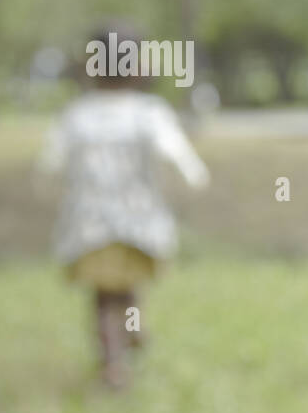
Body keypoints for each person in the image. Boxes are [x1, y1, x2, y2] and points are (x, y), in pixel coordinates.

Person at [35, 24, 210, 390]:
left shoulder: (77, 115)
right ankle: (121, 351)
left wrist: (46, 186)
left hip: (89, 224)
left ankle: (116, 355)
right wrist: (195, 176)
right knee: (125, 286)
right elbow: (176, 153)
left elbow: (50, 162)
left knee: (105, 295)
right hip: (138, 222)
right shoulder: (148, 112)